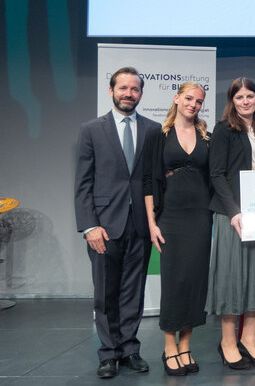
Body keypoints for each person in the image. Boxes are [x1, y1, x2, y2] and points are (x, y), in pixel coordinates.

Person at [75, 67, 159, 378]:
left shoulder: (153, 130)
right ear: (111, 91)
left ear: (140, 94)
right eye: (122, 88)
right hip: (103, 226)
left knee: (133, 292)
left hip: (139, 225)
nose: (128, 93)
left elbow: (154, 181)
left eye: (134, 89)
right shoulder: (91, 130)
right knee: (106, 293)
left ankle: (130, 350)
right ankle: (108, 353)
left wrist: (155, 222)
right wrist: (89, 226)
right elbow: (82, 183)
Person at [207, 77, 255, 370]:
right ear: (232, 101)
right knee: (232, 279)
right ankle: (227, 343)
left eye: (250, 96)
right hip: (232, 216)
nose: (245, 101)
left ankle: (249, 339)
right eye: (240, 97)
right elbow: (216, 174)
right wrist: (234, 211)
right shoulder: (223, 129)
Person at [142, 82, 211, 376]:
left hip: (200, 217)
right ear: (177, 98)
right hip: (170, 216)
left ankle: (185, 346)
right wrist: (151, 223)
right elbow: (148, 180)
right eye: (188, 98)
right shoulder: (159, 135)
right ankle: (169, 346)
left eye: (198, 101)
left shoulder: (207, 137)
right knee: (174, 281)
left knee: (195, 282)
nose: (193, 104)